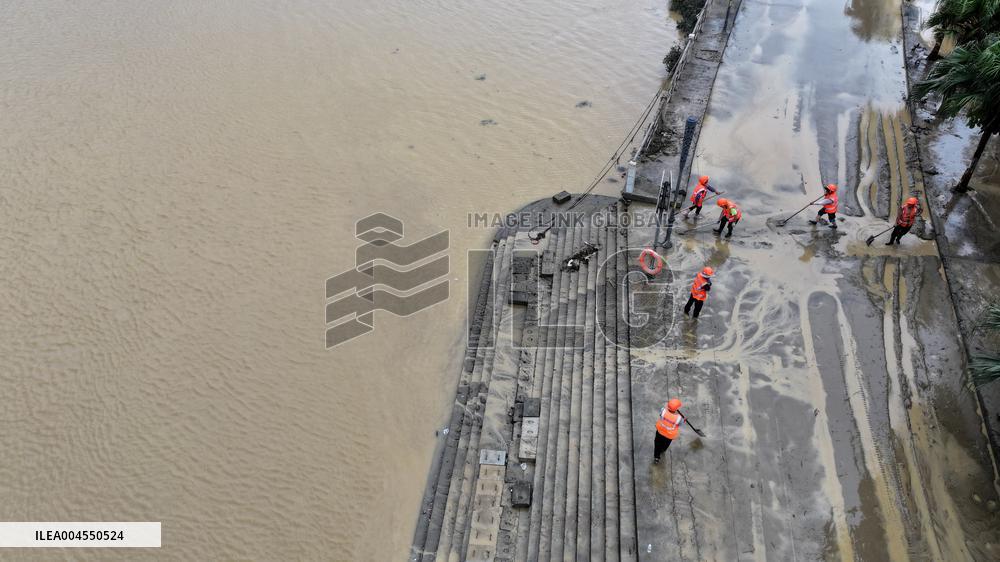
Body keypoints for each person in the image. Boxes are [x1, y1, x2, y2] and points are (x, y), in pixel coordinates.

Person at [654, 398, 684, 464]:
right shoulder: (679, 418)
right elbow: (680, 424)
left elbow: (661, 415)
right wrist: (683, 420)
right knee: (666, 444)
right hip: (669, 435)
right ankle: (663, 450)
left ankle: (656, 457)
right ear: (676, 409)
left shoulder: (663, 411)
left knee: (657, 445)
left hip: (660, 432)